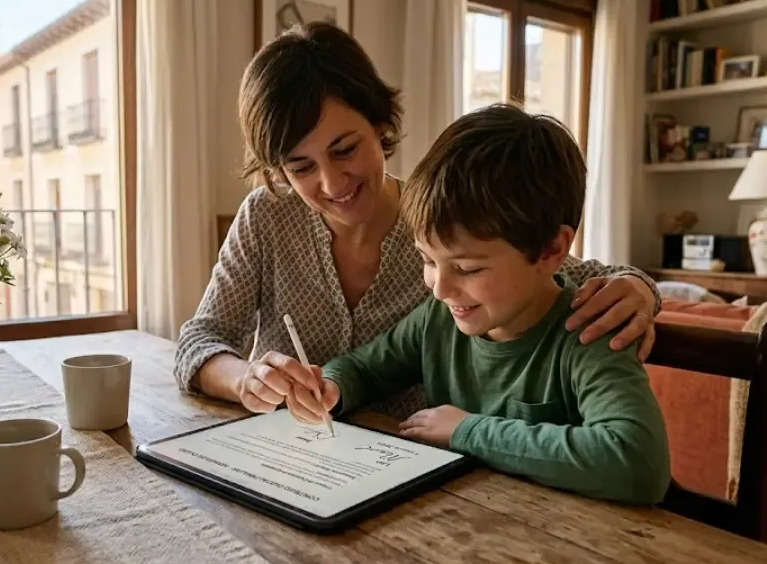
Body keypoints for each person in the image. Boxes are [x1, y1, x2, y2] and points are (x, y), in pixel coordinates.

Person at [174, 21, 661, 420]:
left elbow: (562, 267)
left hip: (409, 463)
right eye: (300, 167)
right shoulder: (265, 216)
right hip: (296, 456)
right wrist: (244, 379)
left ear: (381, 124)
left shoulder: (440, 224)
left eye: (345, 149)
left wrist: (639, 287)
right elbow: (199, 339)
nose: (331, 182)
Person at [281, 104, 671, 505]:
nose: (439, 288)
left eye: (467, 268)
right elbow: (364, 367)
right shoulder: (439, 320)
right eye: (429, 261)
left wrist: (466, 431)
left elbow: (637, 461)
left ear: (552, 248)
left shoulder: (589, 331)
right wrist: (331, 386)